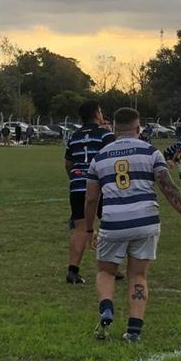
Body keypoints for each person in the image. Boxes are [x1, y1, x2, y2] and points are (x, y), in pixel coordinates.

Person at [85, 107, 181, 341]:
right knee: (138, 276)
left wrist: (90, 229)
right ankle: (134, 330)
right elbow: (169, 189)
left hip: (114, 222)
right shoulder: (151, 152)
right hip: (146, 222)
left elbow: (90, 198)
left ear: (114, 129)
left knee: (106, 272)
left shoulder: (100, 157)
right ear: (139, 129)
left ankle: (107, 307)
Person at [64, 101, 115, 285]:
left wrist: (75, 179)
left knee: (80, 228)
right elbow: (112, 159)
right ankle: (110, 268)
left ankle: (72, 271)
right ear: (96, 114)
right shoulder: (106, 135)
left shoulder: (74, 136)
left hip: (77, 185)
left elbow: (68, 163)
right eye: (100, 111)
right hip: (100, 185)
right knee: (110, 225)